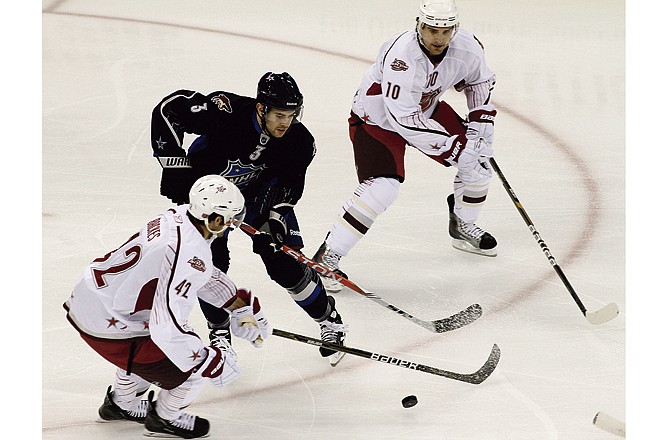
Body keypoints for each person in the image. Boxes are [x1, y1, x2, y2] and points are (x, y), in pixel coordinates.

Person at [150, 72, 347, 365]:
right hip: (212, 199)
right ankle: (219, 332)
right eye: (279, 114)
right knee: (210, 266)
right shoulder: (226, 112)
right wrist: (174, 164)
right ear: (261, 108)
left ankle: (329, 319)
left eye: (291, 115)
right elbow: (170, 109)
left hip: (258, 198)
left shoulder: (300, 141)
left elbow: (289, 186)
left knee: (284, 265)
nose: (286, 122)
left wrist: (275, 221)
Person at [312, 0, 499, 292]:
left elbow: (479, 83)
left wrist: (479, 132)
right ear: (419, 25)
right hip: (377, 118)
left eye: (445, 30)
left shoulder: (468, 47)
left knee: (479, 162)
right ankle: (328, 255)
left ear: (455, 29)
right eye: (431, 29)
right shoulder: (403, 56)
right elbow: (404, 119)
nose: (438, 38)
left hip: (425, 108)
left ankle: (463, 224)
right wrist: (454, 149)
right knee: (383, 188)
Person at [64, 175, 270, 438]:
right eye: (230, 218)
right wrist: (211, 361)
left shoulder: (179, 218)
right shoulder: (188, 251)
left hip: (91, 300)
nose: (233, 224)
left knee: (149, 338)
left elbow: (200, 271)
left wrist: (239, 307)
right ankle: (165, 419)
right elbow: (168, 327)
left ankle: (122, 404)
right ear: (215, 219)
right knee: (191, 366)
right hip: (108, 324)